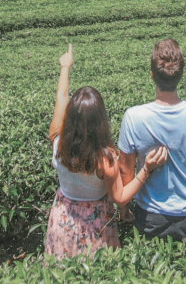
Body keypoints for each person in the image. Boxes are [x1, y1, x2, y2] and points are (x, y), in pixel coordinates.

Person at [45, 44, 168, 260]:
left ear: (71, 118)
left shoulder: (59, 146)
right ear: (101, 121)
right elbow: (119, 198)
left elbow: (61, 98)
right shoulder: (106, 159)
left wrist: (65, 67)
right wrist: (146, 169)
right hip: (96, 224)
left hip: (64, 218)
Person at [117, 38, 186, 240]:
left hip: (150, 215)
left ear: (152, 75)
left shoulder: (134, 117)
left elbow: (125, 173)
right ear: (181, 74)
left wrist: (124, 210)